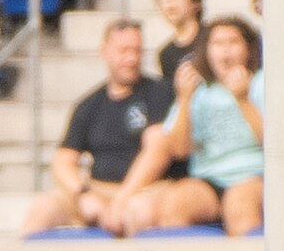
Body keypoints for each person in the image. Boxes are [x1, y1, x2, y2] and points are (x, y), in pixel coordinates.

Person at [21, 19, 172, 235]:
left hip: (146, 190)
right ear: (105, 51)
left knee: (138, 212)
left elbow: (156, 154)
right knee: (43, 208)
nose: (131, 58)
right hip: (98, 188)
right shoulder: (89, 105)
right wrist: (83, 193)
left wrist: (121, 200)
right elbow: (63, 160)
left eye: (137, 50)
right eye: (123, 50)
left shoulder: (159, 92)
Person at [118, 14, 264, 237]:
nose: (225, 51)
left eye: (233, 42)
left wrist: (243, 100)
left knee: (239, 206)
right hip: (208, 178)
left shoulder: (262, 82)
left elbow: (273, 142)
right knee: (174, 205)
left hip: (252, 174)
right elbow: (179, 150)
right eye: (217, 44)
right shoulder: (198, 90)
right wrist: (184, 100)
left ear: (248, 49)